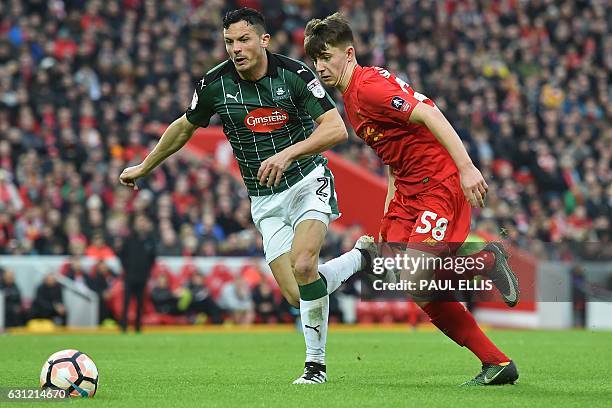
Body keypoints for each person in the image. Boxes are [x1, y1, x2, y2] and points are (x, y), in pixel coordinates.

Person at [119, 8, 377, 383]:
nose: (235, 49)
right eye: (228, 42)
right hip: (264, 200)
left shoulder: (295, 75)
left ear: (263, 40)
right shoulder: (215, 85)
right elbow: (184, 127)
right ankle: (358, 259)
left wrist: (288, 153)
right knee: (296, 294)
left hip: (308, 181)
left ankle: (315, 367)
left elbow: (336, 129)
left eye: (243, 40)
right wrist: (145, 166)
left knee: (305, 265)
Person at [304, 13, 521, 386]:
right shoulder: (353, 96)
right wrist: (390, 206)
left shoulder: (368, 88)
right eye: (315, 60)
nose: (320, 67)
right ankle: (496, 363)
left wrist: (466, 168)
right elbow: (394, 150)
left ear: (349, 53)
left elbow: (429, 113)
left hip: (437, 182)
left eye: (327, 57)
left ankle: (486, 261)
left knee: (416, 275)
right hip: (407, 188)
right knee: (414, 287)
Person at [115, 214, 157, 333]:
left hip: (142, 277)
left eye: (143, 221)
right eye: (139, 221)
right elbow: (122, 255)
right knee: (126, 302)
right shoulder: (129, 239)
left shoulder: (150, 240)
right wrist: (127, 269)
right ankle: (123, 326)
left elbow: (153, 257)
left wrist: (147, 271)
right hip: (129, 276)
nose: (141, 224)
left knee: (140, 303)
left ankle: (138, 326)